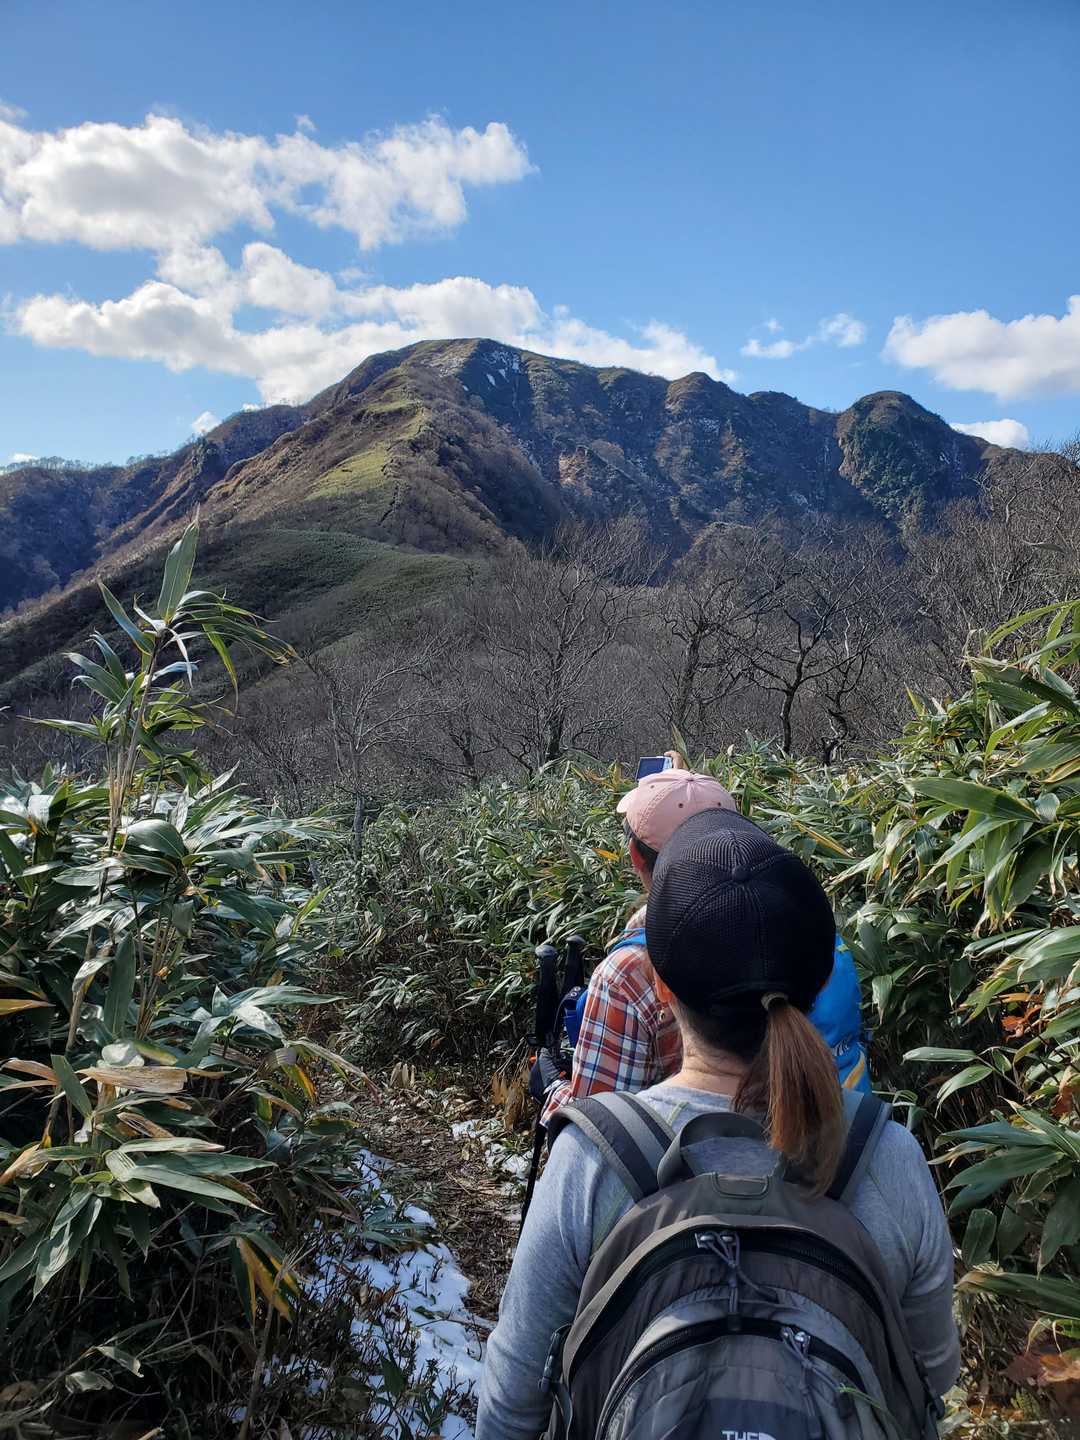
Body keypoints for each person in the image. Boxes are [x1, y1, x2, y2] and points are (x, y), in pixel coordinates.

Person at [479, 808, 959, 1440]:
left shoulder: (593, 1163)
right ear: (818, 987)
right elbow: (930, 1376)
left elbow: (512, 1405)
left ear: (661, 986)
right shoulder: (885, 1156)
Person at [536, 763, 868, 1131]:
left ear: (634, 856)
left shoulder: (627, 972)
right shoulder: (802, 928)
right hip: (827, 1130)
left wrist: (553, 1090)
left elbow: (598, 1127)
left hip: (674, 1161)